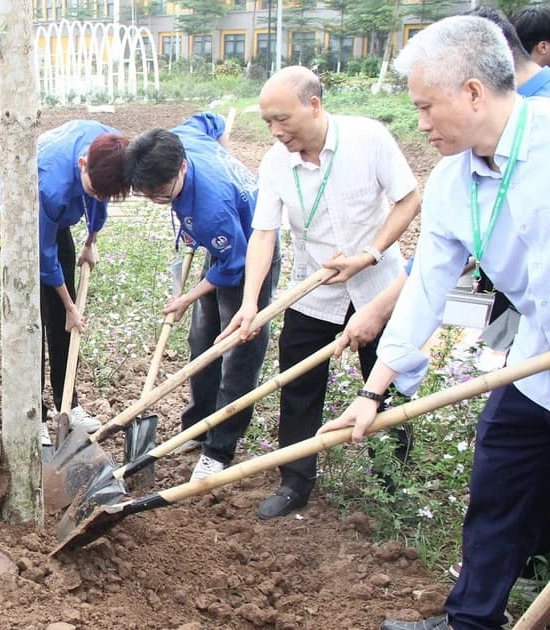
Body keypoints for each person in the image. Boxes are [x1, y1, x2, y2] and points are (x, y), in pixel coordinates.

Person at [320, 17, 550, 630]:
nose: (420, 124)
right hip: (535, 361)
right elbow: (426, 287)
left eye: (426, 107)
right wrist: (375, 389)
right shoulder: (452, 180)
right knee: (499, 476)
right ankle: (471, 620)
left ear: (473, 93)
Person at [219, 66, 421, 520]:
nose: (275, 131)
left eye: (282, 119)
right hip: (313, 290)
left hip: (377, 283)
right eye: (268, 122)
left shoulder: (368, 139)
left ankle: (394, 482)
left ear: (314, 105)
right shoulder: (275, 163)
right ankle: (295, 480)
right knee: (298, 385)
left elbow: (409, 199)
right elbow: (264, 235)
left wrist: (370, 253)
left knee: (388, 378)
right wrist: (251, 304)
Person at [126, 113, 282, 482]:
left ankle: (219, 449)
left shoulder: (211, 208)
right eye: (146, 194)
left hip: (248, 256)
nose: (154, 201)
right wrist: (226, 155)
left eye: (162, 194)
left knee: (237, 351)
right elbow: (212, 119)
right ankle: (197, 427)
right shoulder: (179, 138)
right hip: (221, 247)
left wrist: (186, 298)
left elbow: (233, 267)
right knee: (201, 341)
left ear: (182, 169)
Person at [0, 120, 130, 437]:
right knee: (33, 317)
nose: (97, 195)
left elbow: (99, 201)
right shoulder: (50, 186)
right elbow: (45, 257)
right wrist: (69, 305)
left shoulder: (109, 149)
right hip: (18, 208)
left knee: (65, 325)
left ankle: (67, 403)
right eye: (92, 189)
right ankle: (33, 416)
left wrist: (90, 243)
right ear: (82, 164)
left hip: (55, 207)